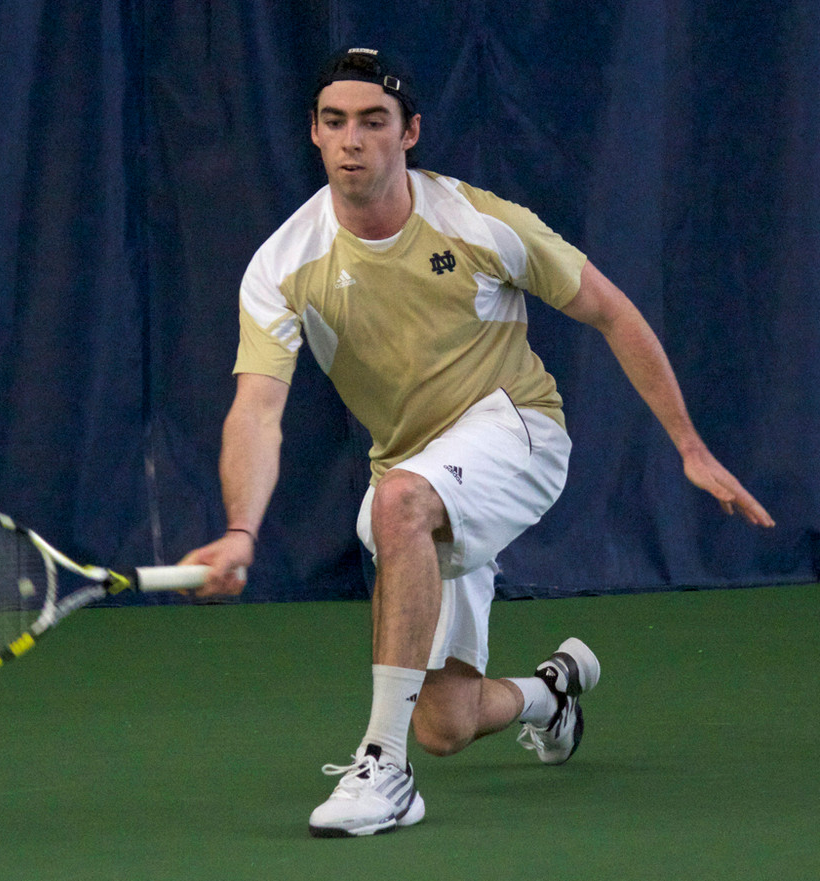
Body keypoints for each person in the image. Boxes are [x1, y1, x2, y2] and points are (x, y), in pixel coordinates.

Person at [180, 46, 775, 838]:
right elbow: (257, 409)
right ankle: (550, 693)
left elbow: (611, 310)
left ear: (409, 132)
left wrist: (689, 446)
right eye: (335, 121)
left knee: (397, 503)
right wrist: (240, 529)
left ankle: (384, 766)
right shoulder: (283, 266)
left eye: (373, 121)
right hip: (415, 468)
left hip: (517, 430)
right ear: (314, 133)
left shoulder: (477, 221)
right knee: (448, 720)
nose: (353, 139)